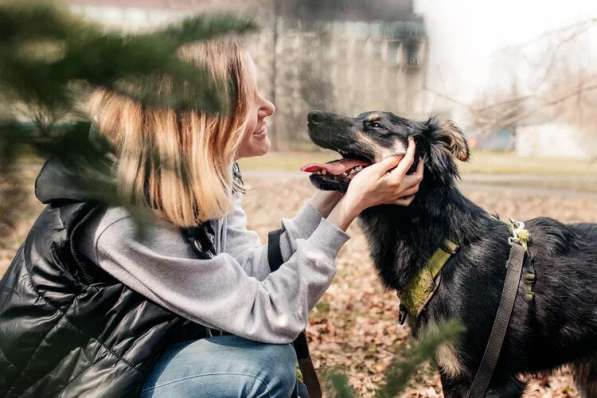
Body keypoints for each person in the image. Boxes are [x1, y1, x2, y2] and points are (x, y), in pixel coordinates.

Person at [0, 40, 423, 398]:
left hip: (131, 355)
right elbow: (270, 316)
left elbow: (249, 276)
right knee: (264, 367)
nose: (269, 106)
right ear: (203, 116)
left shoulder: (195, 178)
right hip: (71, 383)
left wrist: (337, 192)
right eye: (250, 97)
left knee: (261, 357)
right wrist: (347, 212)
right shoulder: (123, 219)